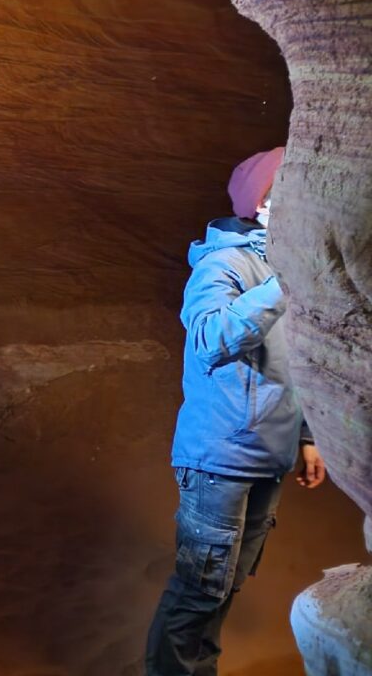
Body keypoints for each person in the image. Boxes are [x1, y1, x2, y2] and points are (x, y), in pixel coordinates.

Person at [145, 147, 327, 675]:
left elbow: (300, 361)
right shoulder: (225, 262)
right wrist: (282, 284)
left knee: (224, 587)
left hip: (268, 457)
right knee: (199, 590)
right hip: (219, 458)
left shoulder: (285, 266)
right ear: (263, 201)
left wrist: (308, 437)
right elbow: (207, 338)